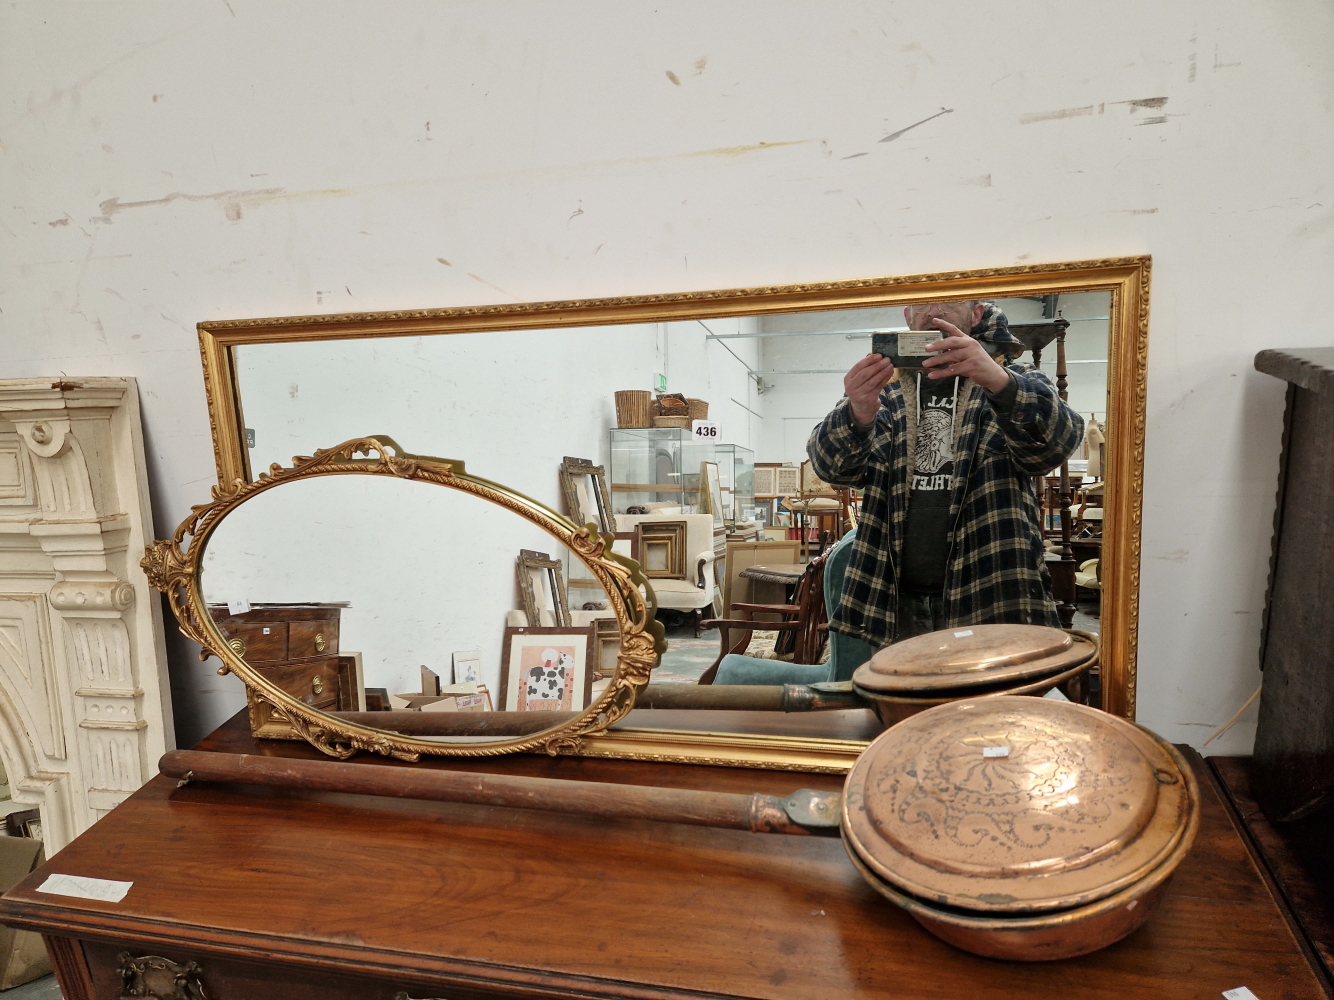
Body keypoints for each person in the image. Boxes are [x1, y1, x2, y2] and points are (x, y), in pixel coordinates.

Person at [807, 300, 1083, 650]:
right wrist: (857, 411)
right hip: (891, 603)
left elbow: (1055, 447)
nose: (934, 310)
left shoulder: (1014, 378)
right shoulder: (884, 391)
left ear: (977, 314)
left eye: (950, 300)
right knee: (904, 704)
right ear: (908, 317)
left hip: (993, 595)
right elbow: (833, 469)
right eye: (922, 302)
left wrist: (1001, 383)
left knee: (992, 706)